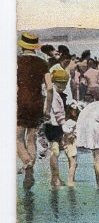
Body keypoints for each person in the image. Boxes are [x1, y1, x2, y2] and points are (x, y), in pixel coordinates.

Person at [17, 32, 53, 189]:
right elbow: (50, 88)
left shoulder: (16, 61)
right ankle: (29, 174)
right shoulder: (43, 62)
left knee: (17, 138)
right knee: (31, 138)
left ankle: (26, 160)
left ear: (22, 46)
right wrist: (48, 109)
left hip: (20, 102)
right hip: (37, 102)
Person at [45, 68, 74, 188]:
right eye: (60, 83)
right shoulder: (54, 95)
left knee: (55, 151)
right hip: (53, 125)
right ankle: (55, 178)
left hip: (55, 125)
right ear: (54, 82)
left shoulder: (59, 94)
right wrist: (65, 126)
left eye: (64, 83)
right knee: (55, 151)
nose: (62, 85)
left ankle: (55, 177)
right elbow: (58, 113)